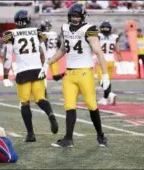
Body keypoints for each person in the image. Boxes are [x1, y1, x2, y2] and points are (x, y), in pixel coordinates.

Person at [40, 3, 109, 147]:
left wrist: (105, 74)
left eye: (77, 16)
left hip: (85, 72)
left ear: (83, 16)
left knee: (91, 104)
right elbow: (62, 49)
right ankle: (68, 139)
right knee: (69, 106)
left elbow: (99, 52)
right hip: (69, 74)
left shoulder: (89, 29)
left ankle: (101, 135)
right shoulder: (65, 28)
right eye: (72, 16)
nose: (75, 18)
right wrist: (48, 63)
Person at [2, 10, 59, 142]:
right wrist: (44, 66)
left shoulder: (9, 34)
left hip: (23, 71)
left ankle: (31, 134)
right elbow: (43, 52)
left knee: (24, 103)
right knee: (40, 99)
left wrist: (5, 76)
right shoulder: (37, 31)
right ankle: (50, 113)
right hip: (37, 69)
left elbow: (8, 57)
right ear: (28, 20)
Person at [97, 21, 123, 105]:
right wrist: (119, 56)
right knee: (107, 81)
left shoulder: (98, 36)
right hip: (111, 60)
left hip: (102, 60)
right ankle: (105, 99)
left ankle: (111, 95)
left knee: (102, 81)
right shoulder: (114, 37)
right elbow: (118, 50)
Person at [39, 20, 64, 98]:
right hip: (55, 56)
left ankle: (44, 91)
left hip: (46, 57)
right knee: (56, 76)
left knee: (43, 76)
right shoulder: (55, 34)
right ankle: (66, 75)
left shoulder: (42, 34)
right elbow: (59, 44)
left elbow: (41, 45)